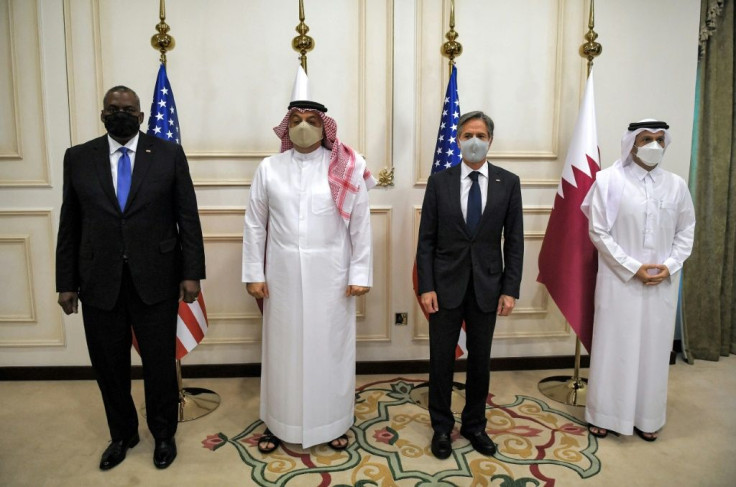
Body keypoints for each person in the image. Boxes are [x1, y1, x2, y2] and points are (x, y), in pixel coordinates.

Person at [56, 85, 206, 470]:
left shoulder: (168, 154)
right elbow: (69, 224)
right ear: (102, 114)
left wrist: (192, 273)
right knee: (109, 365)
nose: (119, 113)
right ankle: (122, 434)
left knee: (158, 364)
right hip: (98, 280)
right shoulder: (78, 157)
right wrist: (66, 281)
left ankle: (163, 435)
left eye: (128, 109)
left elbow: (186, 216)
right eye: (112, 108)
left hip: (155, 277)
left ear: (141, 116)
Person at [242, 74, 374, 453]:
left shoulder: (347, 167)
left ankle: (334, 422)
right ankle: (278, 421)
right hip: (280, 277)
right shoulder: (269, 168)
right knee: (282, 352)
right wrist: (253, 274)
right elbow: (255, 224)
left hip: (332, 278)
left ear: (325, 128)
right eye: (296, 121)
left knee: (330, 351)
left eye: (312, 121)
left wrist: (360, 273)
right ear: (287, 127)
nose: (303, 127)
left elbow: (360, 226)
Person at [416, 110, 524, 459]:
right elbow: (426, 241)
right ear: (457, 140)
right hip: (444, 287)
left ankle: (475, 426)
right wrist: (426, 287)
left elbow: (516, 241)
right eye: (467, 135)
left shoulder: (508, 182)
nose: (473, 141)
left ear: (490, 140)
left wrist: (510, 289)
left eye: (480, 135)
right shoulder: (439, 182)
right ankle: (442, 427)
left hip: (488, 288)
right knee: (441, 361)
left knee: (480, 361)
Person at [582, 119, 695, 442]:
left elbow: (686, 230)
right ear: (632, 143)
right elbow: (598, 231)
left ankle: (647, 417)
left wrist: (668, 265)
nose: (654, 145)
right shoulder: (608, 181)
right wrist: (633, 267)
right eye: (646, 139)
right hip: (619, 282)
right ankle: (604, 414)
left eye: (660, 139)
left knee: (654, 350)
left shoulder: (676, 185)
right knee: (614, 347)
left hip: (661, 282)